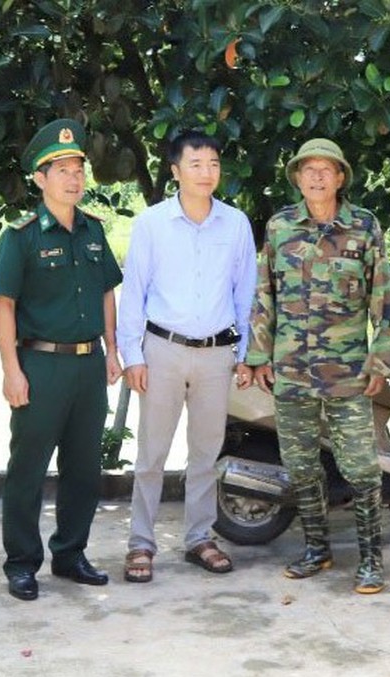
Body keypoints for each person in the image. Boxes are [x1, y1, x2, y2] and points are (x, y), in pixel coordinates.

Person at [247, 138, 390, 595]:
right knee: (301, 465)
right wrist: (258, 356)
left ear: (340, 177)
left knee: (361, 467)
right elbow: (264, 295)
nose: (316, 177)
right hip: (291, 370)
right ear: (297, 178)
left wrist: (381, 360)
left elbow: (383, 300)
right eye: (307, 169)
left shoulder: (363, 227)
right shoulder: (280, 227)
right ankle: (317, 549)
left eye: (325, 170)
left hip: (348, 372)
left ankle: (371, 559)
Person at [0, 119, 123, 601]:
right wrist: (11, 370)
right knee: (27, 467)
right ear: (40, 178)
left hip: (89, 365)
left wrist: (113, 349)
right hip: (40, 365)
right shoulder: (21, 237)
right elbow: (3, 304)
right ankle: (22, 563)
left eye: (78, 169)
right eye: (61, 169)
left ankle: (71, 553)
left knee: (84, 468)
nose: (73, 178)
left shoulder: (92, 231)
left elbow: (108, 289)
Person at [117, 131, 257, 583]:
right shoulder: (152, 224)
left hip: (216, 354)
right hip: (162, 351)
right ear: (175, 171)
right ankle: (141, 542)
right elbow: (133, 292)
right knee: (151, 454)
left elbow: (246, 292)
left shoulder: (235, 224)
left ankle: (200, 537)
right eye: (195, 164)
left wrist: (246, 353)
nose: (206, 172)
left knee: (205, 452)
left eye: (213, 163)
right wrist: (132, 356)